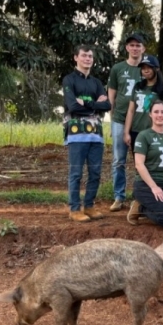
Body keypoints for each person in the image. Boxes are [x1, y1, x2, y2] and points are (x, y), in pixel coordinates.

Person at [62, 45, 111, 222]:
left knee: (95, 173)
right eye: (84, 56)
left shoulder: (97, 82)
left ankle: (89, 205)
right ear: (76, 58)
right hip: (76, 135)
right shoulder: (69, 80)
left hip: (96, 135)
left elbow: (107, 106)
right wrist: (95, 106)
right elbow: (72, 106)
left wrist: (86, 104)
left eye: (90, 56)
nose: (87, 59)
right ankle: (74, 208)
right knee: (76, 173)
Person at [107, 33, 145, 212]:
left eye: (138, 45)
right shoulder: (118, 68)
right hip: (120, 119)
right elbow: (112, 94)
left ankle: (140, 197)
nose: (135, 48)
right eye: (132, 45)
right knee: (119, 160)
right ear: (127, 48)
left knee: (141, 160)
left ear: (143, 48)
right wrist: (112, 119)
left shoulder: (147, 68)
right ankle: (118, 196)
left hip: (141, 120)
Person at [123, 54, 163, 152]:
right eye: (143, 68)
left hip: (154, 131)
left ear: (157, 69)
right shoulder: (138, 86)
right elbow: (131, 110)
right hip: (136, 130)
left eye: (149, 67)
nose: (146, 70)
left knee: (155, 161)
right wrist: (126, 132)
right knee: (139, 162)